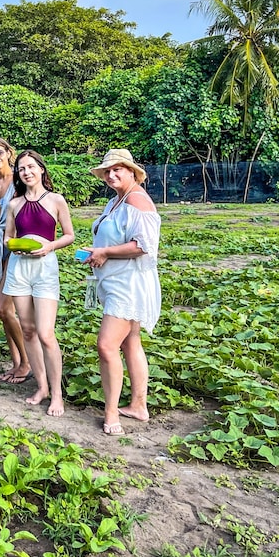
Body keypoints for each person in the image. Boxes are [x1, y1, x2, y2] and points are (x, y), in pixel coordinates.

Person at [83, 149, 161, 436]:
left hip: (129, 284)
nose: (112, 175)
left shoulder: (137, 200)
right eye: (108, 171)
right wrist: (99, 253)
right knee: (130, 342)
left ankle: (111, 412)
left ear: (131, 172)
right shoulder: (117, 201)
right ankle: (139, 405)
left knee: (106, 345)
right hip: (115, 280)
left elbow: (143, 245)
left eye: (118, 170)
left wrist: (105, 251)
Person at [2, 150, 74, 416]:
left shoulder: (56, 200)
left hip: (45, 268)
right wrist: (14, 246)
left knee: (46, 333)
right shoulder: (14, 204)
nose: (27, 172)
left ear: (41, 169)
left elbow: (69, 235)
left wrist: (49, 246)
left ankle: (57, 394)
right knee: (28, 331)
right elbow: (7, 238)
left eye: (31, 167)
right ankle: (41, 386)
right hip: (20, 269)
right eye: (21, 169)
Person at [0, 137, 30, 384]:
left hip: (13, 247)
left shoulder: (19, 180)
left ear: (9, 153)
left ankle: (27, 361)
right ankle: (16, 362)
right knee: (5, 312)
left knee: (3, 308)